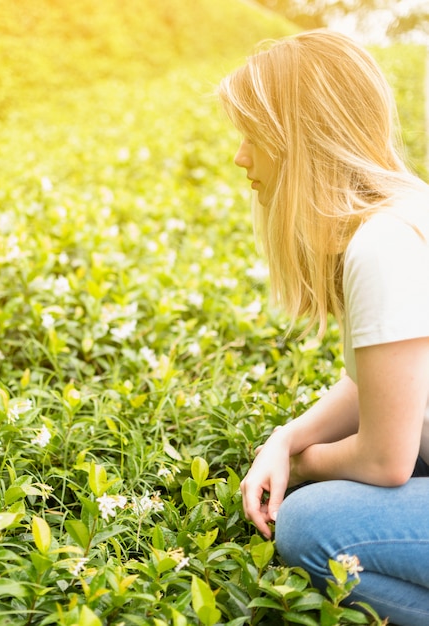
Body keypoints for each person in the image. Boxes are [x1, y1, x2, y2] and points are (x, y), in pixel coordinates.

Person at [217, 29, 429, 625]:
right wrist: (287, 438)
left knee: (315, 522)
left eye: (252, 136)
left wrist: (308, 467)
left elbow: (387, 459)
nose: (240, 157)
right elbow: (385, 383)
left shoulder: (384, 245)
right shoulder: (407, 213)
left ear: (299, 141)